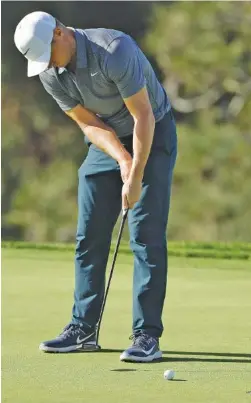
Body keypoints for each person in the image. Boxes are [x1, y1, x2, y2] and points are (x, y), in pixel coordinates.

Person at [14, 11, 177, 363]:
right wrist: (122, 160)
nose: (47, 64)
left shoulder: (114, 49)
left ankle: (146, 335)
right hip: (106, 139)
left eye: (48, 53)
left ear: (60, 33)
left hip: (152, 129)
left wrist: (135, 175)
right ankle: (83, 329)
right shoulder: (49, 72)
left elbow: (143, 116)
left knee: (145, 234)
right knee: (89, 235)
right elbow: (87, 122)